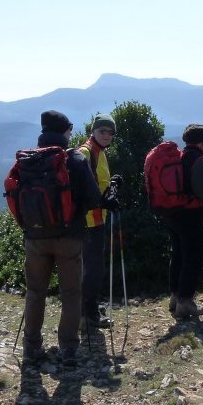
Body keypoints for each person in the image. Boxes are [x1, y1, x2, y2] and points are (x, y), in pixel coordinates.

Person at [19, 110, 102, 372]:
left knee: (35, 293)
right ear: (65, 131)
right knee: (71, 294)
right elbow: (92, 199)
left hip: (34, 238)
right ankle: (68, 350)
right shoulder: (74, 159)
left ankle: (31, 349)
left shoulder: (29, 160)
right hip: (69, 238)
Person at [162, 124, 203, 320]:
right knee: (192, 257)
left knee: (177, 254)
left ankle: (175, 296)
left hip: (172, 213)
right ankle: (185, 302)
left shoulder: (179, 156)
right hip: (190, 215)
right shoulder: (197, 159)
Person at [76, 114, 120, 332]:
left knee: (91, 268)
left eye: (110, 132)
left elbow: (97, 181)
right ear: (93, 131)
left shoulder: (99, 152)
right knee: (92, 269)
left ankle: (88, 311)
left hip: (96, 218)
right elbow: (83, 189)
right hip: (89, 221)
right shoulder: (85, 152)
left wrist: (111, 185)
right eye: (102, 131)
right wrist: (104, 201)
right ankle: (88, 316)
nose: (107, 135)